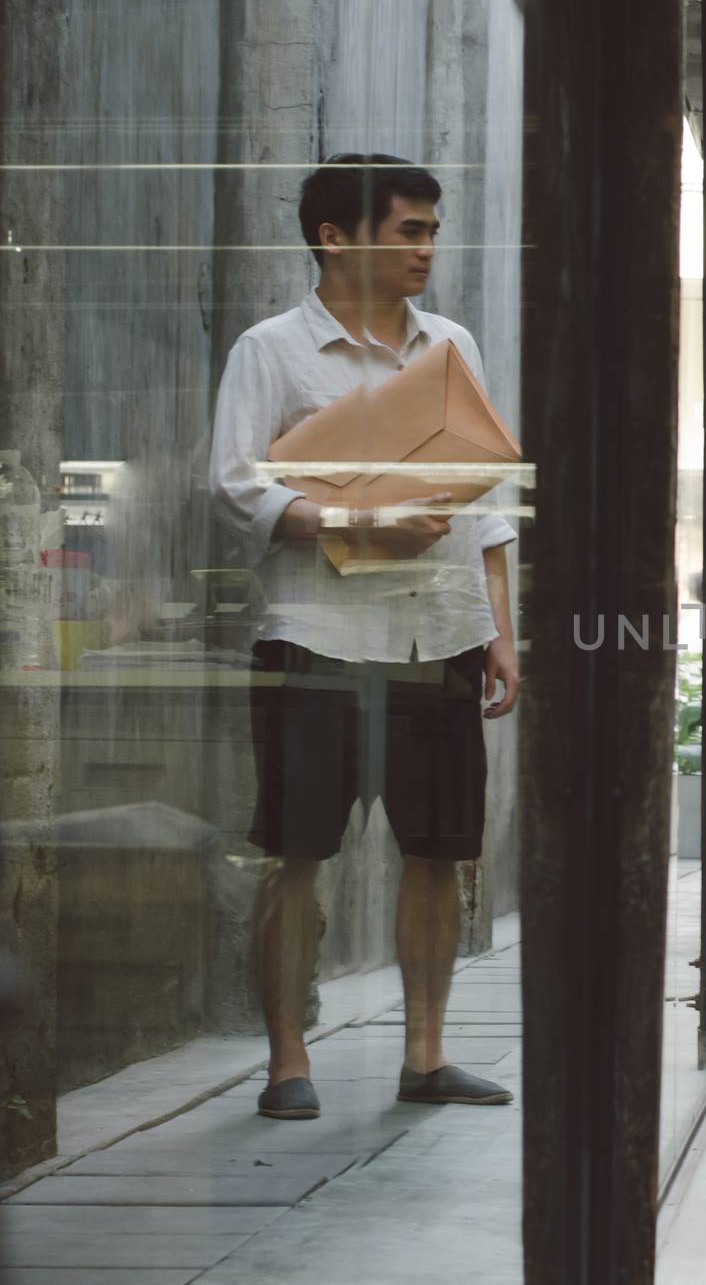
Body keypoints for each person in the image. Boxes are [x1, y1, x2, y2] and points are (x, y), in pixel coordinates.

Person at [210, 154, 519, 1120]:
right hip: (317, 633)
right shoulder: (272, 349)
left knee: (438, 851)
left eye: (431, 230)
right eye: (409, 229)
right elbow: (236, 483)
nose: (428, 247)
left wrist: (501, 632)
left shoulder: (450, 344)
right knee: (296, 852)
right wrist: (352, 524)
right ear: (335, 237)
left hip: (440, 636)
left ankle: (425, 1055)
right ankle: (287, 1060)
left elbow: (487, 498)